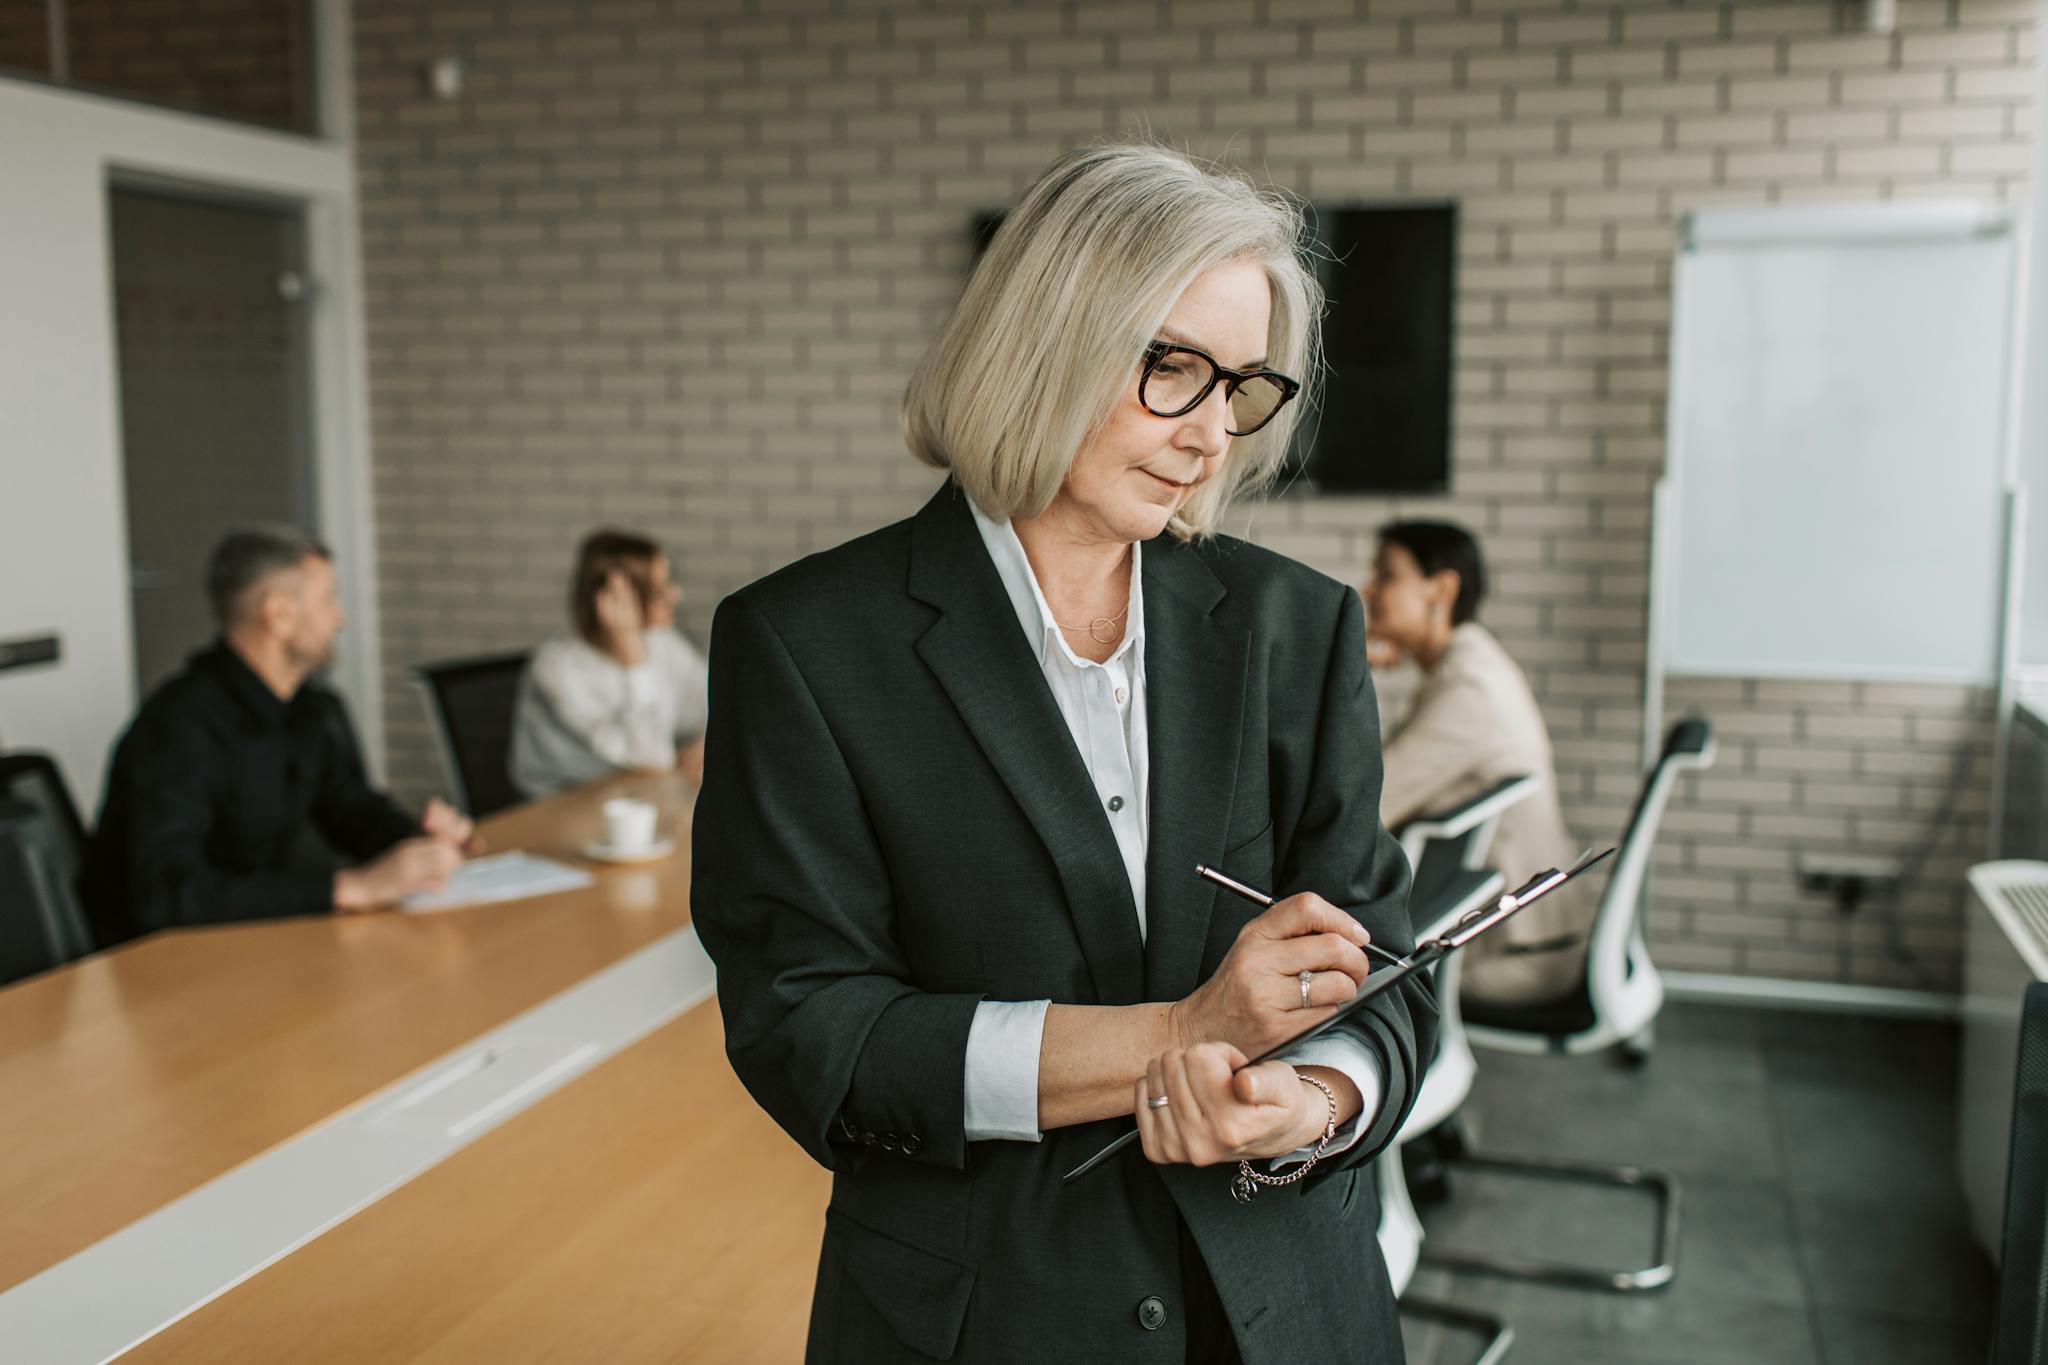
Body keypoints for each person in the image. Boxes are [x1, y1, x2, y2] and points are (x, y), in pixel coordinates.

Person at [691, 144, 1434, 1365]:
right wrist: (1178, 1034)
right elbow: (808, 1034)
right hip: (983, 1317)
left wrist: (1307, 1103)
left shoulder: (1296, 628)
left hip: (1290, 1309)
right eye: (1170, 369)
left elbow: (1387, 969)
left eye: (1241, 387)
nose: (1208, 436)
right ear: (1047, 337)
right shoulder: (804, 643)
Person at [83, 526, 475, 948]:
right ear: (280, 614)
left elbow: (348, 808)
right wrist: (347, 888)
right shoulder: (177, 726)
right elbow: (168, 894)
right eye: (328, 599)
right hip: (156, 967)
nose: (338, 619)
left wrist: (419, 844)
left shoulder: (312, 708)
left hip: (254, 942)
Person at [1363, 520, 1589, 1008]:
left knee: (1334, 997)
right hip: (1517, 940)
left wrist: (1346, 676)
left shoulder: (1470, 688)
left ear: (1440, 589)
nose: (1369, 589)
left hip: (1519, 959)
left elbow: (1365, 806)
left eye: (1387, 575)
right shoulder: (1468, 665)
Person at [508, 529, 709, 798]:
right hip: (563, 805)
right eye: (658, 591)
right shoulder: (559, 669)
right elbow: (652, 760)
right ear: (616, 599)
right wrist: (632, 656)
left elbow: (716, 702)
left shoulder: (663, 643)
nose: (675, 595)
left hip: (636, 795)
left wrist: (707, 743)